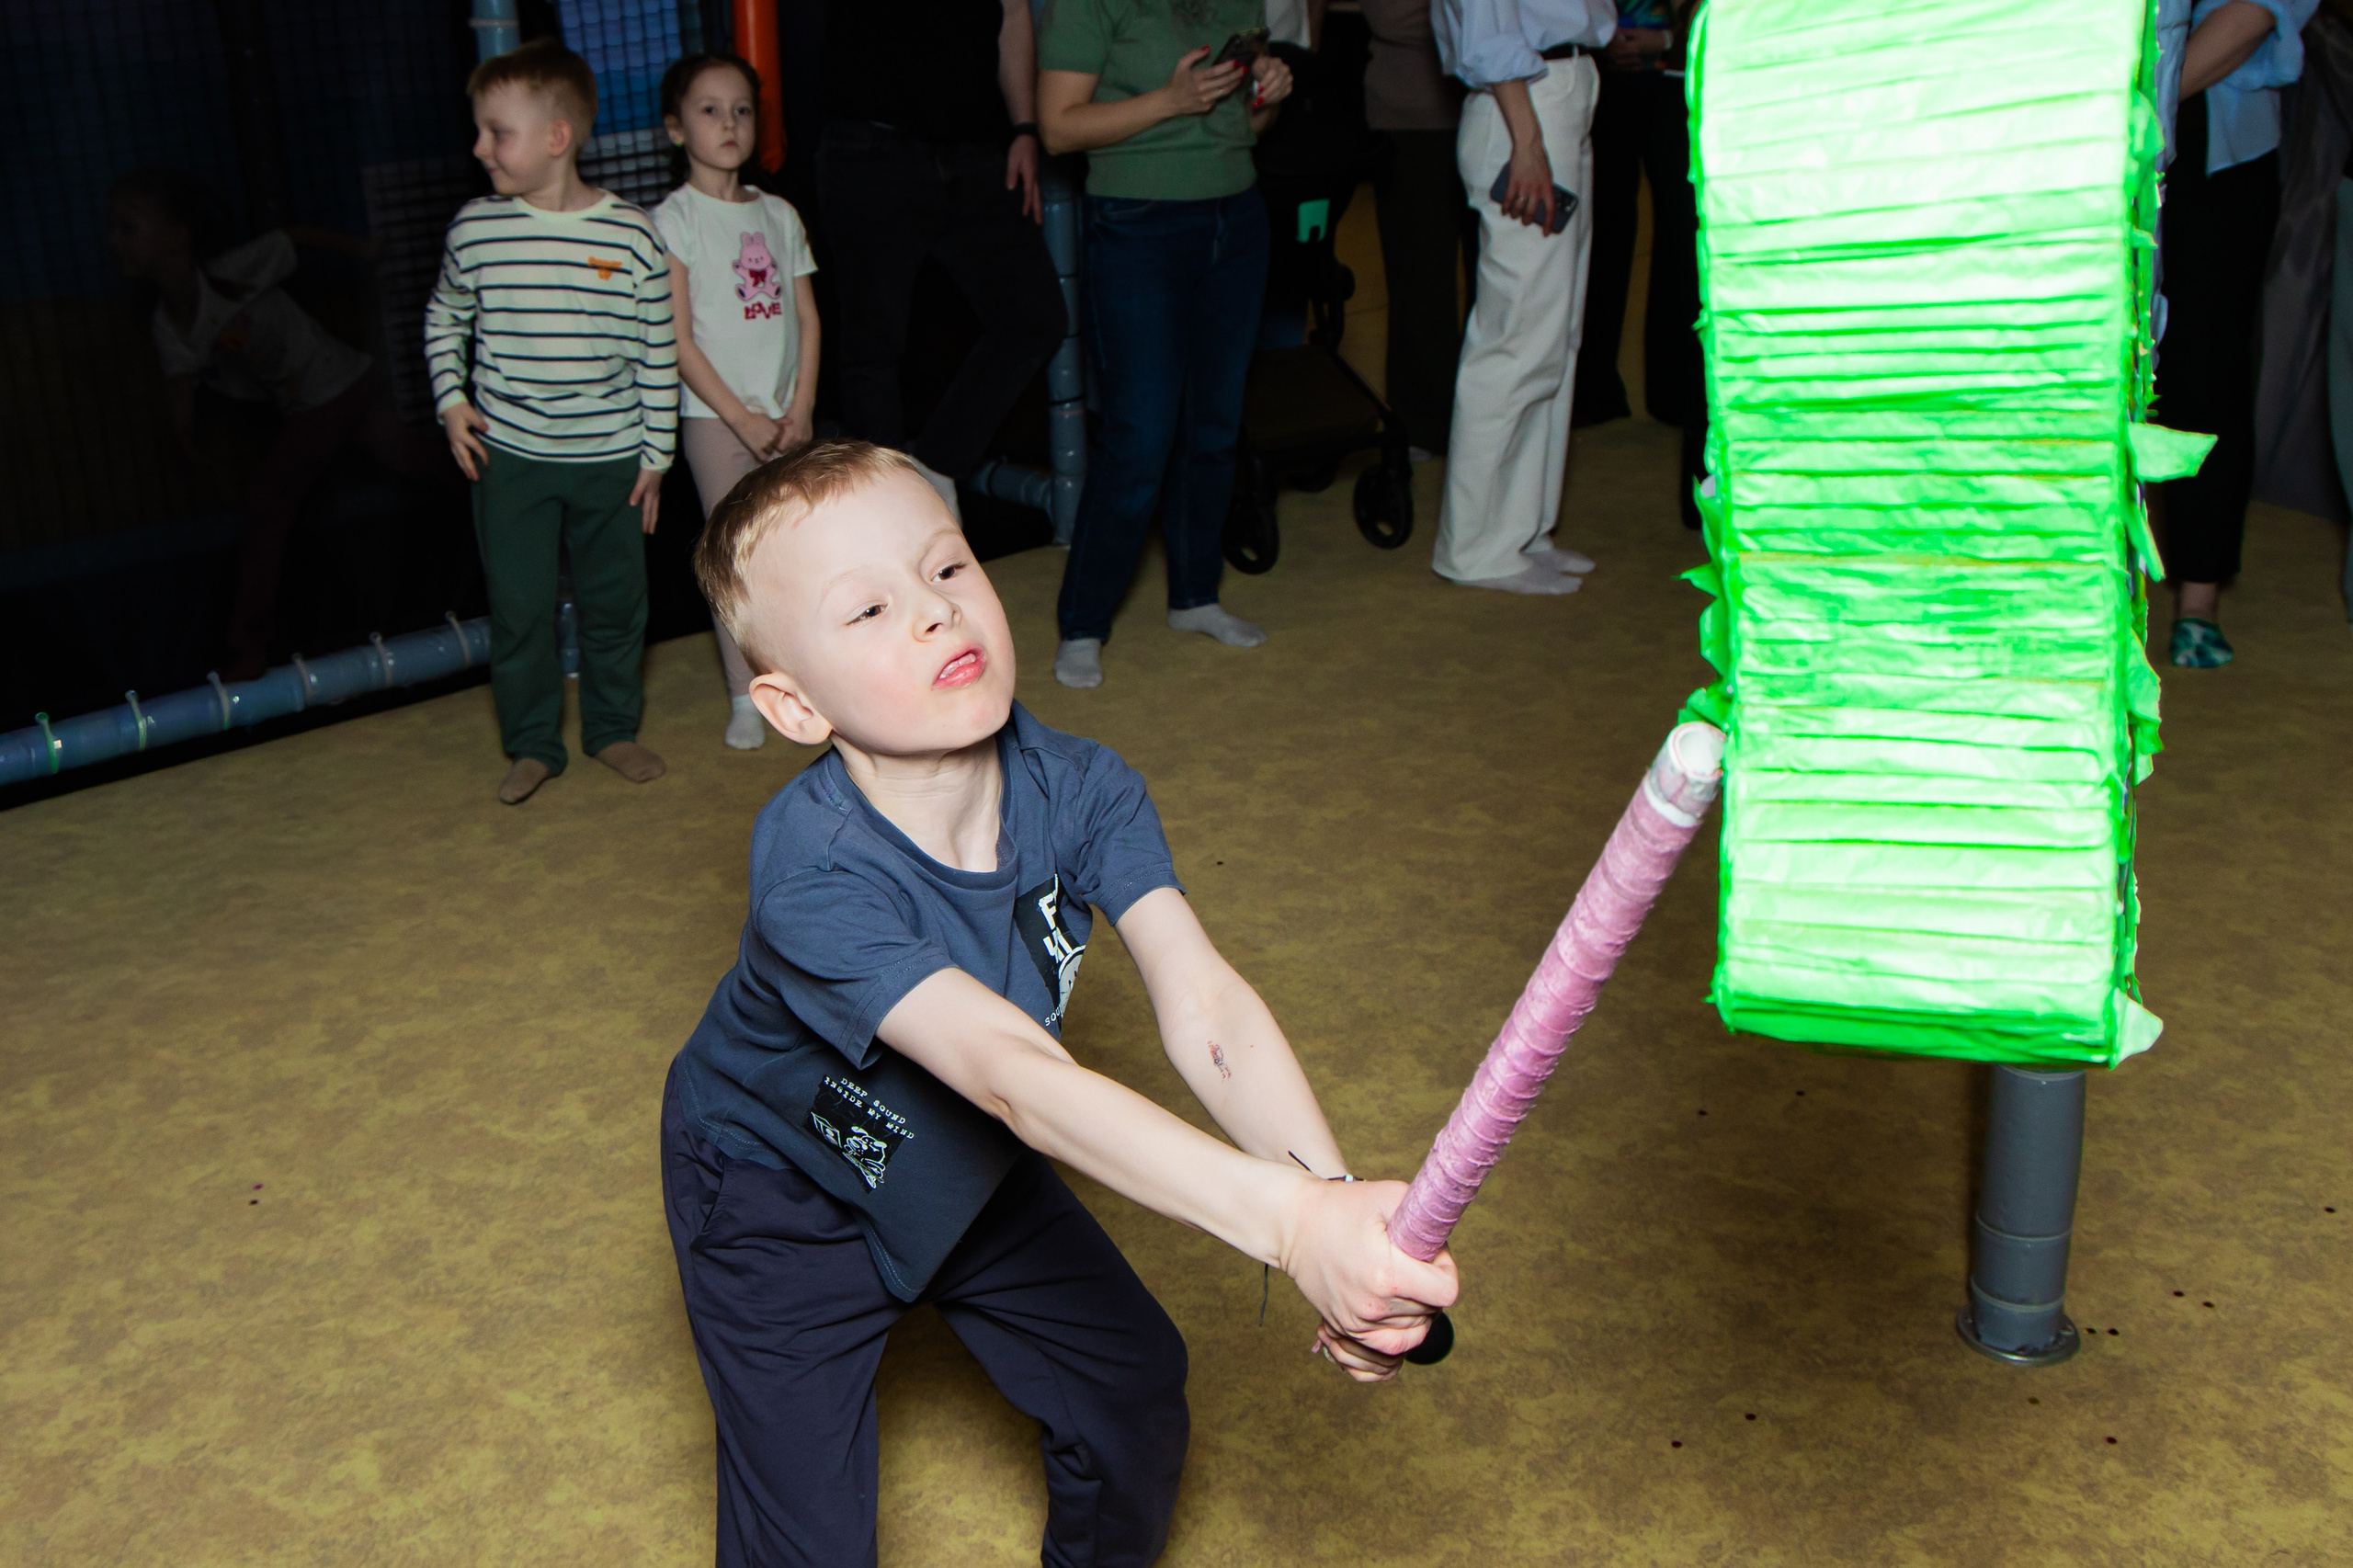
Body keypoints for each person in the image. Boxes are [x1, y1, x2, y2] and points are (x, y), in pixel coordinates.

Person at [665, 437, 1459, 1565]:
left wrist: (1332, 1209)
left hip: (957, 1153)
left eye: (947, 567)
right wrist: (1286, 1228)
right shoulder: (810, 872)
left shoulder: (1083, 788)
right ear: (793, 707)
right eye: (871, 608)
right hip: (777, 1192)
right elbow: (1014, 1075)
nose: (936, 612)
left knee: (1128, 1389)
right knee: (805, 1544)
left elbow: (1207, 1005)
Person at [425, 40, 679, 804]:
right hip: (510, 460)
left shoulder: (632, 235)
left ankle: (612, 729)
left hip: (613, 461)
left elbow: (657, 352)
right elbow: (444, 316)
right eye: (479, 130)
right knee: (520, 611)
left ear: (556, 137)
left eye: (497, 132)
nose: (480, 148)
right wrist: (451, 400)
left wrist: (657, 457)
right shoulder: (474, 230)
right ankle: (533, 744)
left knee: (616, 606)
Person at [1038, 0, 1295, 690]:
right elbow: (1058, 128)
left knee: (1214, 426)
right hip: (1137, 223)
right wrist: (1169, 100)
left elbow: (1242, 126)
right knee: (1141, 436)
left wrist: (1267, 95)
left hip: (1237, 217)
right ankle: (1084, 623)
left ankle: (1195, 595)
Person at [108, 170, 433, 681]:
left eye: (128, 228)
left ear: (176, 237)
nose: (115, 241)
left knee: (267, 507)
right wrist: (185, 435)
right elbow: (179, 381)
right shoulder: (168, 324)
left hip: (331, 393)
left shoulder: (232, 273)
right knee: (418, 461)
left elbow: (294, 239)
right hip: (339, 392)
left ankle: (248, 648)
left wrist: (364, 249)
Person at [817, 0, 1067, 517]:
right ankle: (887, 513)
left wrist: (1024, 127)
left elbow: (1012, 13)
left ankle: (934, 465)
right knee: (872, 348)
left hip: (976, 148)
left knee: (1035, 316)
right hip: (871, 145)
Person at [654, 51, 822, 752]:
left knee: (797, 552)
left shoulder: (778, 214)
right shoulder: (675, 219)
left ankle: (809, 678)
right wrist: (741, 418)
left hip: (786, 418)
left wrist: (801, 406)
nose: (729, 123)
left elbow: (807, 318)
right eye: (710, 110)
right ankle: (742, 692)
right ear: (675, 128)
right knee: (733, 559)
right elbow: (679, 338)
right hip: (716, 421)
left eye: (742, 110)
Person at [1429, 0, 1615, 594]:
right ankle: (1477, 547)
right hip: (1524, 106)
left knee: (1555, 336)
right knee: (1516, 338)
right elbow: (1488, 30)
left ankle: (1524, 529)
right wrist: (1528, 142)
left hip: (1563, 89)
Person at [2155, 0, 2320, 667]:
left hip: (2212, 134)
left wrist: (2128, 98)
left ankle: (2199, 598)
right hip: (2058, 124)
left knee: (2204, 365)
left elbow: (2257, 10)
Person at [1577, 1, 1706, 528]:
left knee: (1683, 246)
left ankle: (1675, 397)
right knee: (1600, 236)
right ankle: (1592, 390)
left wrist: (1668, 41)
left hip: (1682, 80)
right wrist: (1602, 38)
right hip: (1603, 77)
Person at [1362, 0, 1476, 460]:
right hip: (1412, 117)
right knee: (1420, 280)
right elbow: (1392, 18)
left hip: (1493, 113)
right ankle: (1421, 424)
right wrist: (1488, 25)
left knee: (1496, 280)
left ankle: (1483, 416)